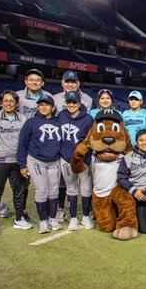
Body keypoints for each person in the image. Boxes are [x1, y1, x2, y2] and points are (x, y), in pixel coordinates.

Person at [0, 90, 32, 235]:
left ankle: (19, 218)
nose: (8, 103)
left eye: (11, 101)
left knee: (19, 192)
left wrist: (25, 161)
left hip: (17, 161)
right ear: (2, 102)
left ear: (16, 103)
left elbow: (26, 141)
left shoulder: (23, 119)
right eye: (6, 100)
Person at [16, 95, 62, 234]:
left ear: (53, 107)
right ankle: (43, 221)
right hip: (36, 160)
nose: (43, 106)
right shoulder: (31, 122)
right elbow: (22, 144)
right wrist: (22, 165)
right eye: (41, 104)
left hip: (55, 161)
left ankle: (52, 218)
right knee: (42, 190)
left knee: (54, 191)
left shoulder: (59, 122)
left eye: (47, 104)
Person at [57, 91, 94, 230]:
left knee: (85, 188)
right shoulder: (61, 116)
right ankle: (73, 217)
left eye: (74, 102)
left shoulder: (88, 119)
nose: (71, 105)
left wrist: (86, 159)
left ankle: (85, 216)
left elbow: (90, 141)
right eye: (69, 102)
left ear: (80, 103)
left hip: (82, 160)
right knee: (71, 188)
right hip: (66, 158)